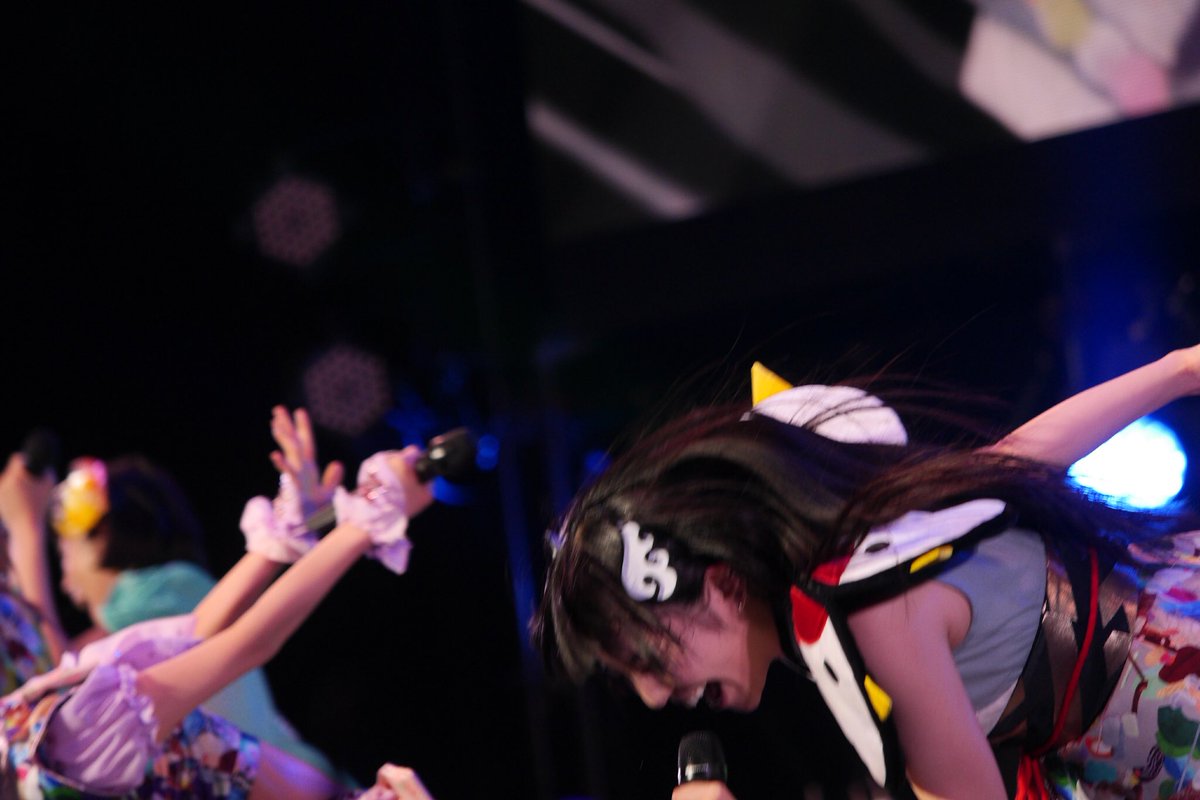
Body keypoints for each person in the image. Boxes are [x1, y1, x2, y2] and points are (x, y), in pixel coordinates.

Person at [534, 346, 1200, 799]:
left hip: (1169, 704)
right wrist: (1176, 371)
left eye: (645, 658)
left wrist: (1177, 372)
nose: (654, 696)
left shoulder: (872, 614)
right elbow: (1006, 463)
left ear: (722, 586)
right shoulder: (854, 552)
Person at [1, 432, 435, 799]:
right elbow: (243, 644)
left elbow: (195, 632)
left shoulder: (44, 729)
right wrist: (367, 519)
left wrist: (285, 538)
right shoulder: (72, 745)